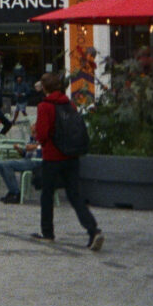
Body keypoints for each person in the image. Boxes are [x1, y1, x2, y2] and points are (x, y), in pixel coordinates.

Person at [31, 72, 103, 250]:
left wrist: (37, 133)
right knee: (74, 195)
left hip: (52, 156)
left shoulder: (44, 106)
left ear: (45, 88)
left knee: (47, 194)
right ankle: (93, 230)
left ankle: (48, 232)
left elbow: (42, 134)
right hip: (71, 156)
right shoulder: (69, 104)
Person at [0, 138, 41, 204]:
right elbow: (24, 153)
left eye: (34, 131)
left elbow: (47, 148)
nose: (33, 133)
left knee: (6, 165)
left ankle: (16, 193)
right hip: (27, 160)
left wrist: (36, 147)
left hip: (37, 162)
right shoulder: (32, 140)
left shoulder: (45, 138)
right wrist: (19, 149)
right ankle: (12, 190)